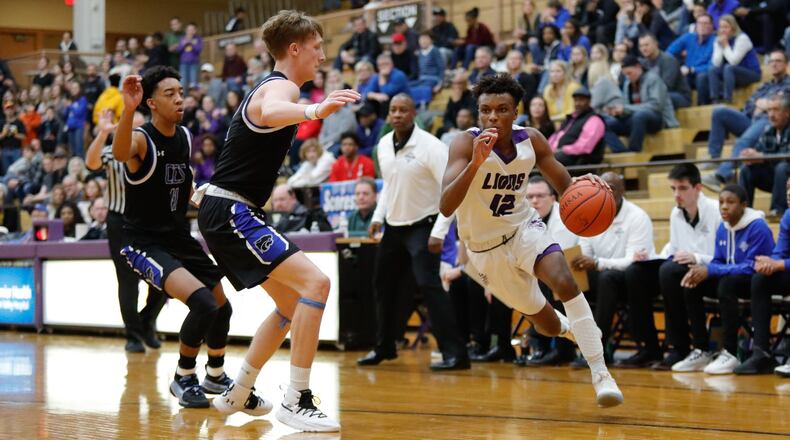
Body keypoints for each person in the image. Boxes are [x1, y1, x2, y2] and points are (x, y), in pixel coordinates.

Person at [196, 10, 358, 431]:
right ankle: (297, 399)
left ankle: (239, 390)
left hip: (228, 209)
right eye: (317, 47)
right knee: (316, 284)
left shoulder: (273, 86)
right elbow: (269, 111)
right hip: (232, 210)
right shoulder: (280, 86)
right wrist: (316, 110)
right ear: (295, 48)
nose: (322, 56)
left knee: (289, 305)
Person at [440, 73, 623, 407]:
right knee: (548, 326)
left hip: (523, 228)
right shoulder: (464, 144)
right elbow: (446, 205)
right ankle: (571, 329)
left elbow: (566, 188)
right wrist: (476, 164)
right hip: (484, 250)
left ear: (515, 112)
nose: (492, 117)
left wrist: (588, 187)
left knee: (564, 281)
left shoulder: (533, 141)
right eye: (485, 110)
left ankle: (600, 373)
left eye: (502, 109)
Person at [112, 67, 232, 408]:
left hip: (178, 236)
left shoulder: (185, 137)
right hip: (143, 242)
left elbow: (180, 181)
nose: (179, 99)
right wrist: (128, 109)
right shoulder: (141, 139)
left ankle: (215, 373)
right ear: (151, 103)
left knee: (222, 308)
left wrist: (197, 196)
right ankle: (183, 376)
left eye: (180, 92)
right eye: (170, 94)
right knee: (203, 304)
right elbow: (119, 153)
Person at [357, 93, 469, 371]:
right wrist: (378, 217)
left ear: (414, 113)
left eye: (403, 110)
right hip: (394, 227)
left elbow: (452, 189)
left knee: (429, 285)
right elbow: (389, 185)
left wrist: (439, 232)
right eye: (393, 110)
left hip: (424, 225)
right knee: (382, 284)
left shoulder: (431, 146)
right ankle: (384, 346)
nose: (397, 114)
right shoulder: (384, 144)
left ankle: (456, 354)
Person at [85, 109, 166, 353]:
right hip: (120, 221)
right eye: (131, 127)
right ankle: (133, 335)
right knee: (127, 280)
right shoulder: (113, 152)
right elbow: (91, 163)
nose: (136, 132)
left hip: (151, 220)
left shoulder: (156, 151)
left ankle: (147, 320)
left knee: (164, 275)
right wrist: (103, 133)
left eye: (140, 128)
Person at [671, 185, 774, 374]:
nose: (724, 207)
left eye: (730, 202)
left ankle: (730, 352)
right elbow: (718, 260)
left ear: (744, 205)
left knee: (726, 284)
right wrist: (702, 271)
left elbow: (753, 265)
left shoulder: (758, 227)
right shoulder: (723, 228)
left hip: (755, 282)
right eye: (721, 202)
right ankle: (701, 349)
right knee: (693, 283)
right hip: (732, 279)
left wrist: (711, 270)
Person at [572, 172, 655, 367]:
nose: (607, 193)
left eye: (612, 188)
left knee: (607, 278)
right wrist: (580, 261)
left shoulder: (637, 217)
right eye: (602, 188)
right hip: (604, 277)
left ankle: (598, 349)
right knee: (567, 278)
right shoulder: (590, 213)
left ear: (623, 191)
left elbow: (632, 261)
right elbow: (585, 251)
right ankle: (560, 346)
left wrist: (597, 263)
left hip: (633, 280)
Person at [653, 164, 721, 370]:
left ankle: (692, 347)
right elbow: (674, 249)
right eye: (673, 189)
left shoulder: (717, 211)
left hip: (715, 272)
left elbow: (724, 257)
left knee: (670, 273)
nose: (676, 194)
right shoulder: (675, 214)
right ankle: (679, 347)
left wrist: (696, 257)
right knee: (659, 270)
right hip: (688, 272)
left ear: (698, 188)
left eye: (682, 188)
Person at [704, 50, 790, 188]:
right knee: (719, 112)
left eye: (778, 61)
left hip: (769, 121)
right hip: (751, 120)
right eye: (771, 61)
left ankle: (722, 175)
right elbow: (748, 105)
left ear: (786, 64)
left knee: (744, 140)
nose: (774, 64)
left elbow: (783, 105)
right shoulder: (765, 86)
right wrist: (758, 104)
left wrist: (764, 104)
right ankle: (714, 158)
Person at [735, 176, 790, 374]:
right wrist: (769, 264)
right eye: (787, 188)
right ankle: (761, 354)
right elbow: (780, 252)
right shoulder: (788, 216)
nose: (789, 193)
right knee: (761, 279)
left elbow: (781, 261)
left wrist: (779, 264)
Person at [522, 175, 578, 366]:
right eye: (529, 197)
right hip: (539, 273)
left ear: (553, 198)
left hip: (574, 271)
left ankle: (560, 349)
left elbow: (559, 258)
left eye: (539, 196)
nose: (534, 201)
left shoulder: (564, 218)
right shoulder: (522, 218)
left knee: (549, 280)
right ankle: (505, 346)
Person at [602, 55, 678, 153]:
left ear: (638, 67)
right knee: (604, 124)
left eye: (629, 73)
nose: (628, 77)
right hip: (635, 119)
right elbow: (627, 107)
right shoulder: (627, 83)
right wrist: (617, 111)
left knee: (639, 116)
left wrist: (626, 108)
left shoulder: (653, 79)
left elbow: (655, 105)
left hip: (657, 119)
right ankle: (621, 151)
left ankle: (634, 150)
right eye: (625, 75)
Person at [737, 94, 790, 216]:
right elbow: (759, 151)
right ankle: (744, 212)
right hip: (776, 179)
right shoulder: (768, 130)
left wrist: (761, 156)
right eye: (769, 110)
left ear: (787, 112)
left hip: (787, 178)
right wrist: (750, 156)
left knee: (782, 167)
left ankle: (777, 211)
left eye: (776, 110)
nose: (771, 115)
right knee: (746, 169)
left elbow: (787, 155)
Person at [708, 15, 761, 104]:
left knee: (728, 68)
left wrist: (725, 45)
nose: (722, 30)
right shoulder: (719, 40)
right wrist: (719, 46)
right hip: (733, 74)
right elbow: (716, 63)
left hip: (752, 73)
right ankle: (715, 100)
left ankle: (727, 99)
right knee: (712, 70)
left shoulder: (742, 38)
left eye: (726, 27)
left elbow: (734, 61)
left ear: (733, 28)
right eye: (721, 27)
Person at [548, 87, 606, 167]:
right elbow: (555, 137)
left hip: (579, 161)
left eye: (581, 100)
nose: (577, 103)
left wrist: (562, 150)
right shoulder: (570, 119)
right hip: (562, 157)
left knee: (550, 161)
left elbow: (585, 147)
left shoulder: (594, 120)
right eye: (576, 100)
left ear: (589, 101)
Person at [639, 33, 690, 109]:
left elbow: (667, 86)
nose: (644, 49)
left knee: (659, 98)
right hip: (655, 95)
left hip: (679, 96)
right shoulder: (644, 64)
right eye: (641, 46)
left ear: (655, 44)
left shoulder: (668, 60)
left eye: (646, 45)